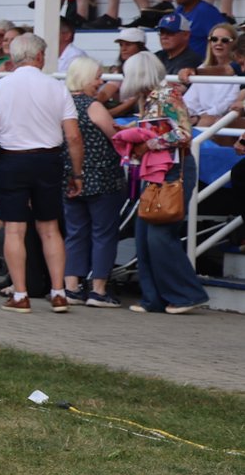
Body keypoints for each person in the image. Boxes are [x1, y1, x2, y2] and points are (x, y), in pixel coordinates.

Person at [0, 35, 79, 313]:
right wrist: (77, 173)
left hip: (12, 161)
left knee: (15, 230)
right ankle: (58, 292)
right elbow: (74, 137)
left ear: (15, 57)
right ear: (40, 56)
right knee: (50, 229)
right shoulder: (57, 88)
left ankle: (20, 295)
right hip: (49, 159)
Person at [111, 53, 210, 314]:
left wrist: (147, 143)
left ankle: (185, 294)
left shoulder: (165, 96)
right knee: (146, 234)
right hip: (159, 170)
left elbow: (183, 133)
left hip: (171, 170)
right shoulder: (155, 97)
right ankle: (155, 298)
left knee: (159, 235)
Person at [58, 55, 125, 308]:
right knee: (103, 233)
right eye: (97, 76)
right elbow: (115, 137)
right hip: (101, 178)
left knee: (75, 233)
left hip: (70, 178)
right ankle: (98, 289)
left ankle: (71, 286)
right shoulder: (93, 106)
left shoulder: (62, 105)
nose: (100, 82)